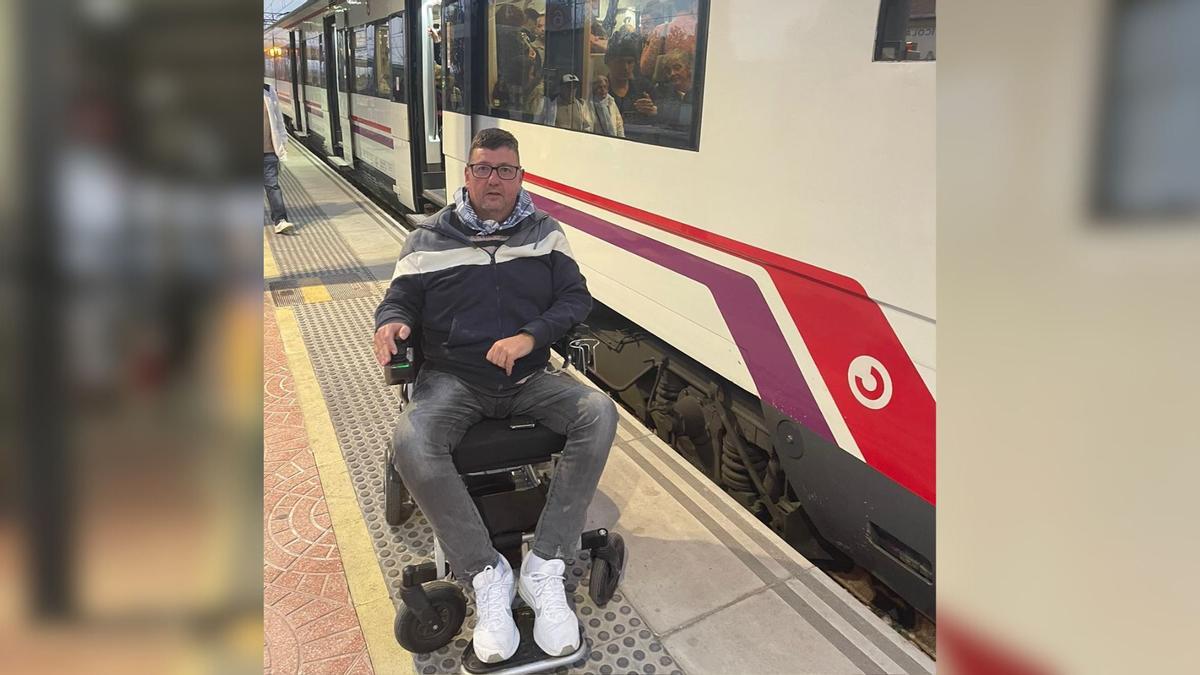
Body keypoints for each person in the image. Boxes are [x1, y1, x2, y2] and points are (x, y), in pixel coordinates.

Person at [373, 128, 617, 663]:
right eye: (483, 168)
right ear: (467, 175)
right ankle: (487, 574)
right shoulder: (428, 238)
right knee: (411, 440)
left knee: (598, 412)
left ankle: (545, 564)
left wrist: (531, 335)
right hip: (453, 381)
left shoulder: (546, 234)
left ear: (520, 177)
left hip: (529, 379)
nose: (493, 180)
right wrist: (390, 324)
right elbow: (399, 300)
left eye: (505, 170)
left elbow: (577, 298)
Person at [263, 84, 294, 235]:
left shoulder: (268, 91)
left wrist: (283, 142)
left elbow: (278, 120)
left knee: (273, 186)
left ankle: (280, 221)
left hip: (268, 151)